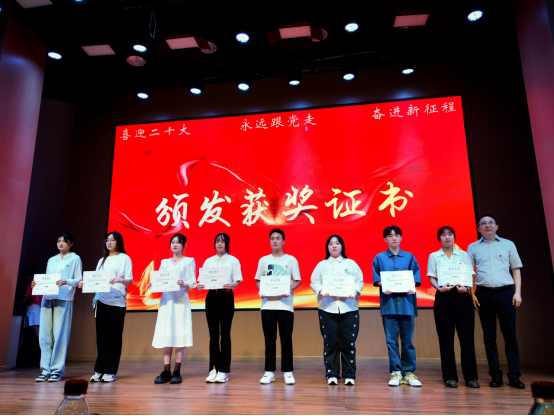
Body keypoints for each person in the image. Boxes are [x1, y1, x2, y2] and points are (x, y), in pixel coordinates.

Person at [467, 215, 524, 389]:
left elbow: (516, 269)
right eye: (483, 223)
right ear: (479, 228)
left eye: (491, 223)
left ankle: (514, 376)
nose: (487, 225)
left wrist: (518, 293)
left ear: (497, 227)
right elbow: (469, 273)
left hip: (506, 293)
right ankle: (495, 375)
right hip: (483, 295)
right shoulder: (472, 247)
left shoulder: (508, 244)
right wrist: (472, 294)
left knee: (510, 336)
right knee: (489, 337)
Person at [427, 226, 480, 389]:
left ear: (454, 237)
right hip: (443, 297)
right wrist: (439, 288)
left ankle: (471, 378)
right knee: (446, 339)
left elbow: (471, 275)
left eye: (450, 234)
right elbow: (431, 277)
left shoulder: (464, 255)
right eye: (443, 235)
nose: (447, 237)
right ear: (439, 239)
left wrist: (468, 288)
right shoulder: (434, 256)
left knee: (467, 339)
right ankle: (450, 377)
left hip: (462, 297)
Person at [79, 231, 133, 383]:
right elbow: (96, 280)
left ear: (118, 242)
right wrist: (85, 284)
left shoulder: (125, 258)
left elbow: (129, 280)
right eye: (107, 240)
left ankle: (110, 371)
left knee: (114, 337)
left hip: (117, 302)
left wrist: (120, 280)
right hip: (101, 300)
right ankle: (99, 370)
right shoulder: (102, 260)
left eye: (112, 240)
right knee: (101, 337)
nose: (109, 243)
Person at [310, 235, 364, 386]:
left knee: (348, 342)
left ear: (342, 246)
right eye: (331, 244)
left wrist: (355, 291)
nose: (334, 246)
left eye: (337, 243)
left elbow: (359, 281)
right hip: (327, 307)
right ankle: (332, 374)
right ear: (327, 247)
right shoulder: (321, 265)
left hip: (349, 307)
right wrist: (321, 290)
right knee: (330, 343)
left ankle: (349, 375)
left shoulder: (351, 264)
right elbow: (314, 282)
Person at [372, 225, 422, 388]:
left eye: (397, 235)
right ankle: (396, 372)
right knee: (391, 340)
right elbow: (377, 278)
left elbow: (415, 278)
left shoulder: (409, 257)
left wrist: (412, 286)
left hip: (407, 304)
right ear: (385, 239)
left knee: (408, 341)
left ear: (401, 237)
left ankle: (408, 372)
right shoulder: (379, 258)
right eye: (390, 235)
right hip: (389, 305)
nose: (394, 238)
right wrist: (383, 285)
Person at [31, 233, 82, 383]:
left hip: (64, 298)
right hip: (47, 298)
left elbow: (79, 279)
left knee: (60, 335)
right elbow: (47, 279)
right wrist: (37, 285)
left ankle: (56, 371)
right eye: (59, 241)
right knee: (45, 336)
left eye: (64, 241)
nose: (61, 244)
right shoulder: (51, 260)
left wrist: (67, 281)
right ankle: (45, 370)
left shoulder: (75, 258)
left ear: (71, 244)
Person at [255, 228, 301, 385]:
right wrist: (261, 290)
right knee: (269, 340)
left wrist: (289, 288)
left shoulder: (291, 260)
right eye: (272, 238)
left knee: (286, 339)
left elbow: (297, 280)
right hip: (267, 305)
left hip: (285, 305)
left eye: (278, 238)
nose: (274, 241)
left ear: (283, 241)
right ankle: (269, 372)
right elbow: (258, 281)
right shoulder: (263, 260)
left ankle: (288, 372)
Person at [150, 233, 197, 385]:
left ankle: (177, 370)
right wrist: (153, 284)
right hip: (167, 302)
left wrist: (184, 284)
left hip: (181, 301)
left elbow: (193, 282)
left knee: (179, 332)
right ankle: (166, 370)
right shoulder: (164, 262)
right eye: (172, 242)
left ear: (184, 245)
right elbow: (159, 281)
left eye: (178, 242)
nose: (175, 245)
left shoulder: (189, 261)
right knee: (167, 333)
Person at [198, 233, 242, 384]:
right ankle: (213, 369)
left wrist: (232, 285)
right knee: (213, 336)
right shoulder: (209, 261)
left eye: (222, 241)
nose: (219, 244)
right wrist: (200, 285)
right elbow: (202, 281)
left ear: (227, 244)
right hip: (211, 298)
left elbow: (237, 280)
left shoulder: (233, 260)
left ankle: (223, 370)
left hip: (226, 298)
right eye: (217, 241)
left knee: (225, 334)